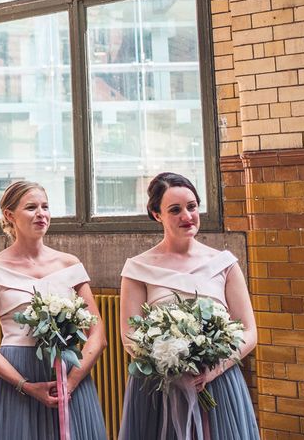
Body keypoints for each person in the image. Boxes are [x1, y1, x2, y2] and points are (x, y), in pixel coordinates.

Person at [118, 172, 259, 439]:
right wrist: (170, 366)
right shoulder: (138, 269)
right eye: (175, 210)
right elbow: (129, 336)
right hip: (161, 389)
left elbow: (249, 332)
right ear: (156, 214)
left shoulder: (224, 264)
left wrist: (214, 370)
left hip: (218, 383)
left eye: (192, 207)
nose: (187, 216)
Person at [0, 181, 108, 439]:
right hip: (18, 377)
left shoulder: (70, 264)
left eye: (45, 207)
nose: (41, 213)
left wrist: (70, 382)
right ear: (9, 215)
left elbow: (98, 334)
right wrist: (25, 386)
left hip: (68, 374)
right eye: (31, 207)